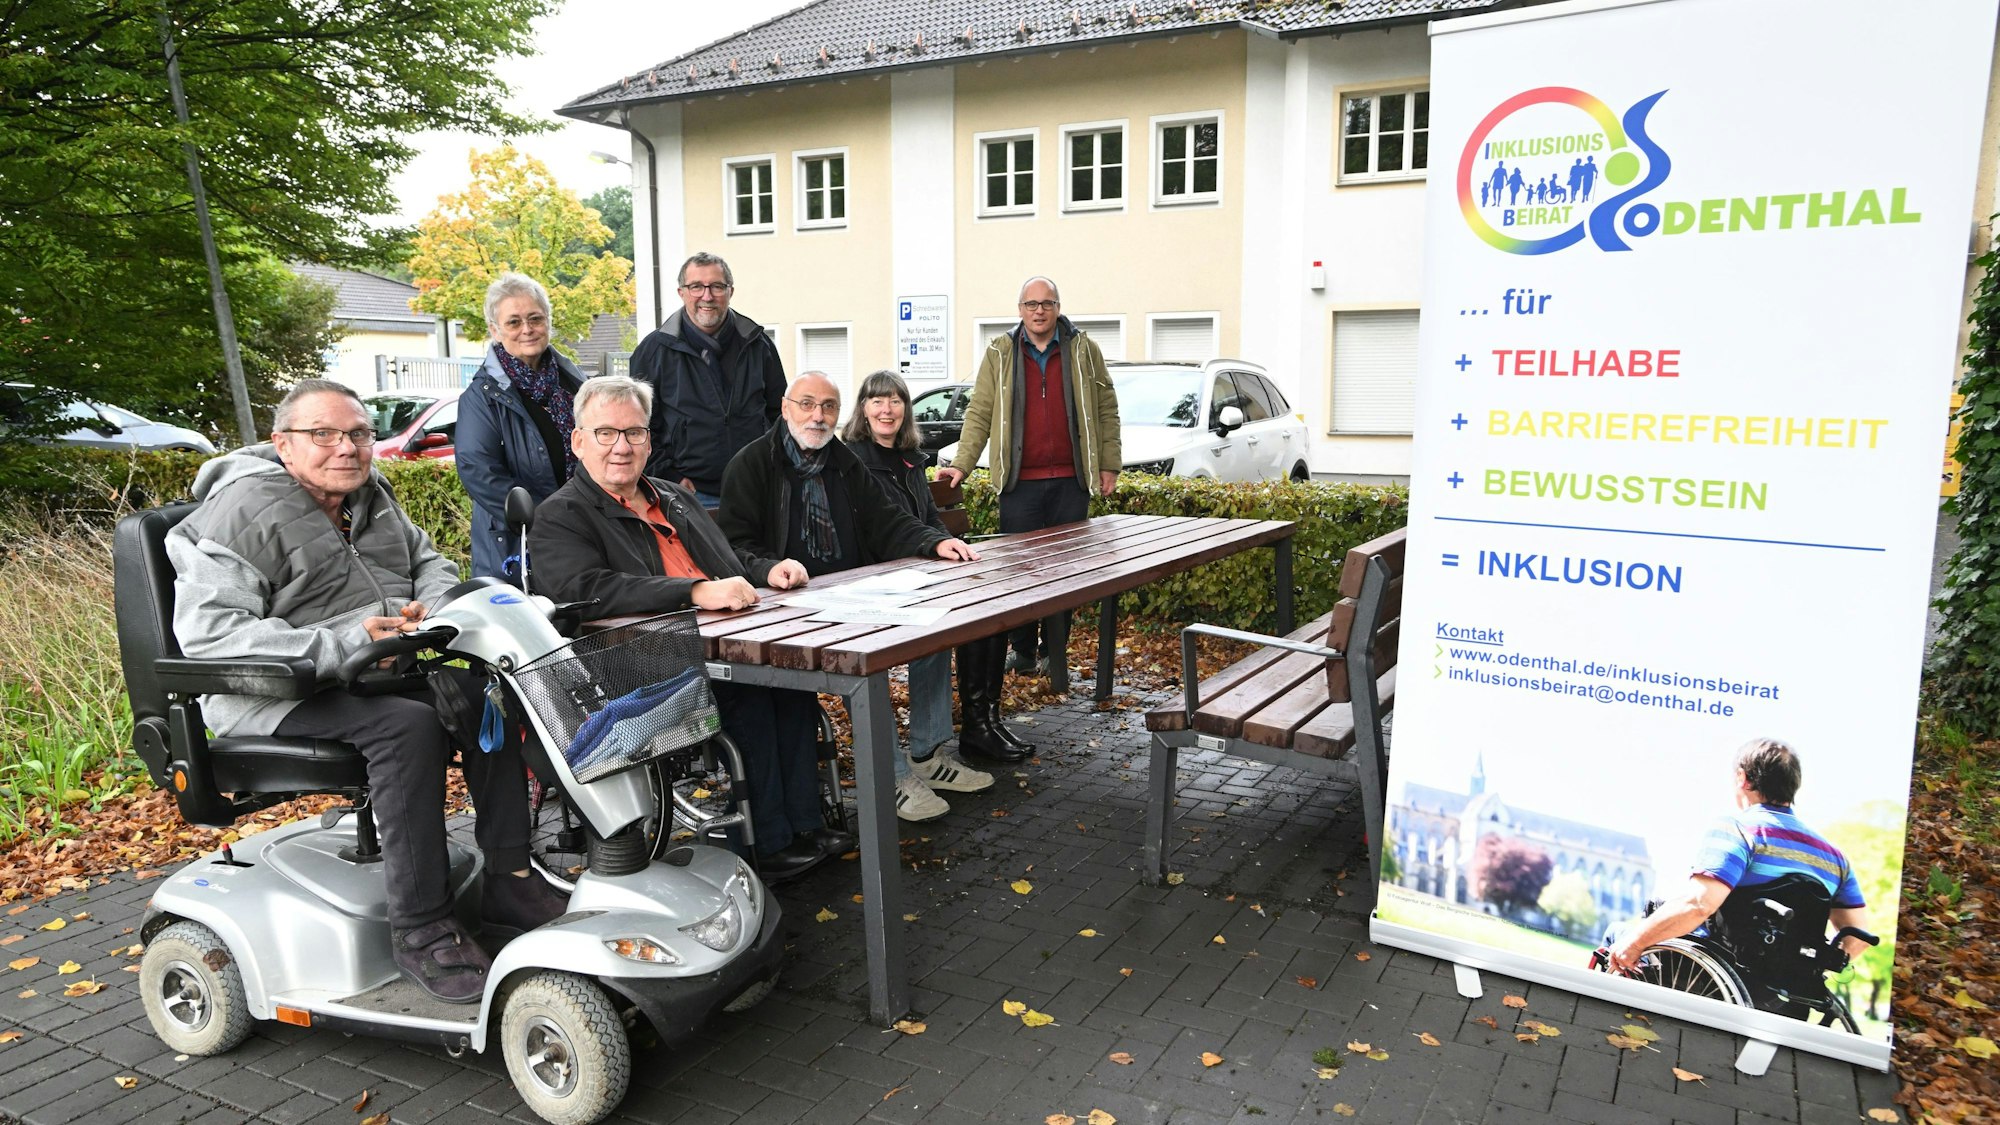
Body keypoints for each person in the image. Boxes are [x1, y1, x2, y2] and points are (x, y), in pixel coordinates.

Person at [166, 379, 566, 1003]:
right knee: (406, 728)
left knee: (490, 689)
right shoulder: (236, 514)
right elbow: (211, 636)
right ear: (283, 445)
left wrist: (435, 611)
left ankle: (511, 878)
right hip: (271, 694)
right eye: (322, 435)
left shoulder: (370, 495)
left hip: (380, 670)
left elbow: (428, 564)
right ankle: (422, 927)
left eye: (357, 434)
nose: (345, 448)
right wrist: (344, 640)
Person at [526, 375, 845, 881]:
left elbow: (724, 557)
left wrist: (765, 571)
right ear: (579, 440)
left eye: (634, 433)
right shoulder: (561, 514)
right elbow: (585, 587)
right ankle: (766, 841)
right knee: (754, 695)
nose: (622, 446)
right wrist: (692, 593)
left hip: (723, 641)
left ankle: (805, 824)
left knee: (791, 688)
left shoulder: (673, 497)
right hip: (634, 664)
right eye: (606, 433)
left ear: (650, 441)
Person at [937, 275, 1121, 682]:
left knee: (1065, 574)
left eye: (1047, 303)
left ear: (1058, 307)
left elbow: (1106, 408)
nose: (1039, 310)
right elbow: (980, 413)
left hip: (1071, 481)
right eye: (1031, 304)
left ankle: (1054, 655)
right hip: (1018, 484)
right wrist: (962, 464)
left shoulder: (1084, 350)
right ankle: (1021, 652)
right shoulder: (1001, 352)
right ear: (1019, 310)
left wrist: (1108, 464)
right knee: (1017, 573)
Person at [838, 370, 998, 819]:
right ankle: (890, 776)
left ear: (906, 409)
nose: (886, 409)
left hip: (914, 577)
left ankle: (927, 755)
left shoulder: (910, 459)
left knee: (936, 640)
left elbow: (928, 516)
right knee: (868, 668)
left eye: (894, 400)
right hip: (866, 584)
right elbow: (876, 526)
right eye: (876, 400)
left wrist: (944, 548)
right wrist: (927, 547)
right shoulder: (851, 461)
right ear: (863, 409)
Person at [1605, 738, 1873, 975]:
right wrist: (1809, 967)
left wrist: (1636, 943)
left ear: (1743, 779)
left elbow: (1700, 904)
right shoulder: (1835, 859)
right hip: (1786, 985)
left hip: (1714, 967)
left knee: (1617, 935)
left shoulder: (1738, 830)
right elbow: (1858, 937)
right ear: (1793, 786)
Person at [628, 252, 787, 507]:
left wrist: (770, 465)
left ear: (730, 291)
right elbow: (637, 426)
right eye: (696, 287)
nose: (707, 296)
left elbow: (780, 413)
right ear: (682, 292)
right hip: (688, 494)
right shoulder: (653, 352)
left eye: (716, 286)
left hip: (755, 486)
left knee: (757, 549)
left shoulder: (758, 345)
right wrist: (669, 475)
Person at [456, 273, 586, 579]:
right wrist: (548, 517)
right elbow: (479, 471)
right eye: (514, 322)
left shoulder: (574, 382)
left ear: (548, 322)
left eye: (535, 318)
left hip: (582, 531)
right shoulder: (482, 396)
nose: (527, 329)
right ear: (495, 330)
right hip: (517, 544)